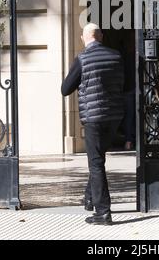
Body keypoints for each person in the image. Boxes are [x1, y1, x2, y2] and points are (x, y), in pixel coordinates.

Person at [61, 23, 124, 225]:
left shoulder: (82, 59)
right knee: (98, 158)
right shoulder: (116, 56)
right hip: (114, 116)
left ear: (83, 38)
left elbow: (65, 89)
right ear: (101, 37)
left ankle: (103, 213)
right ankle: (90, 199)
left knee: (96, 164)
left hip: (94, 118)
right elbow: (127, 83)